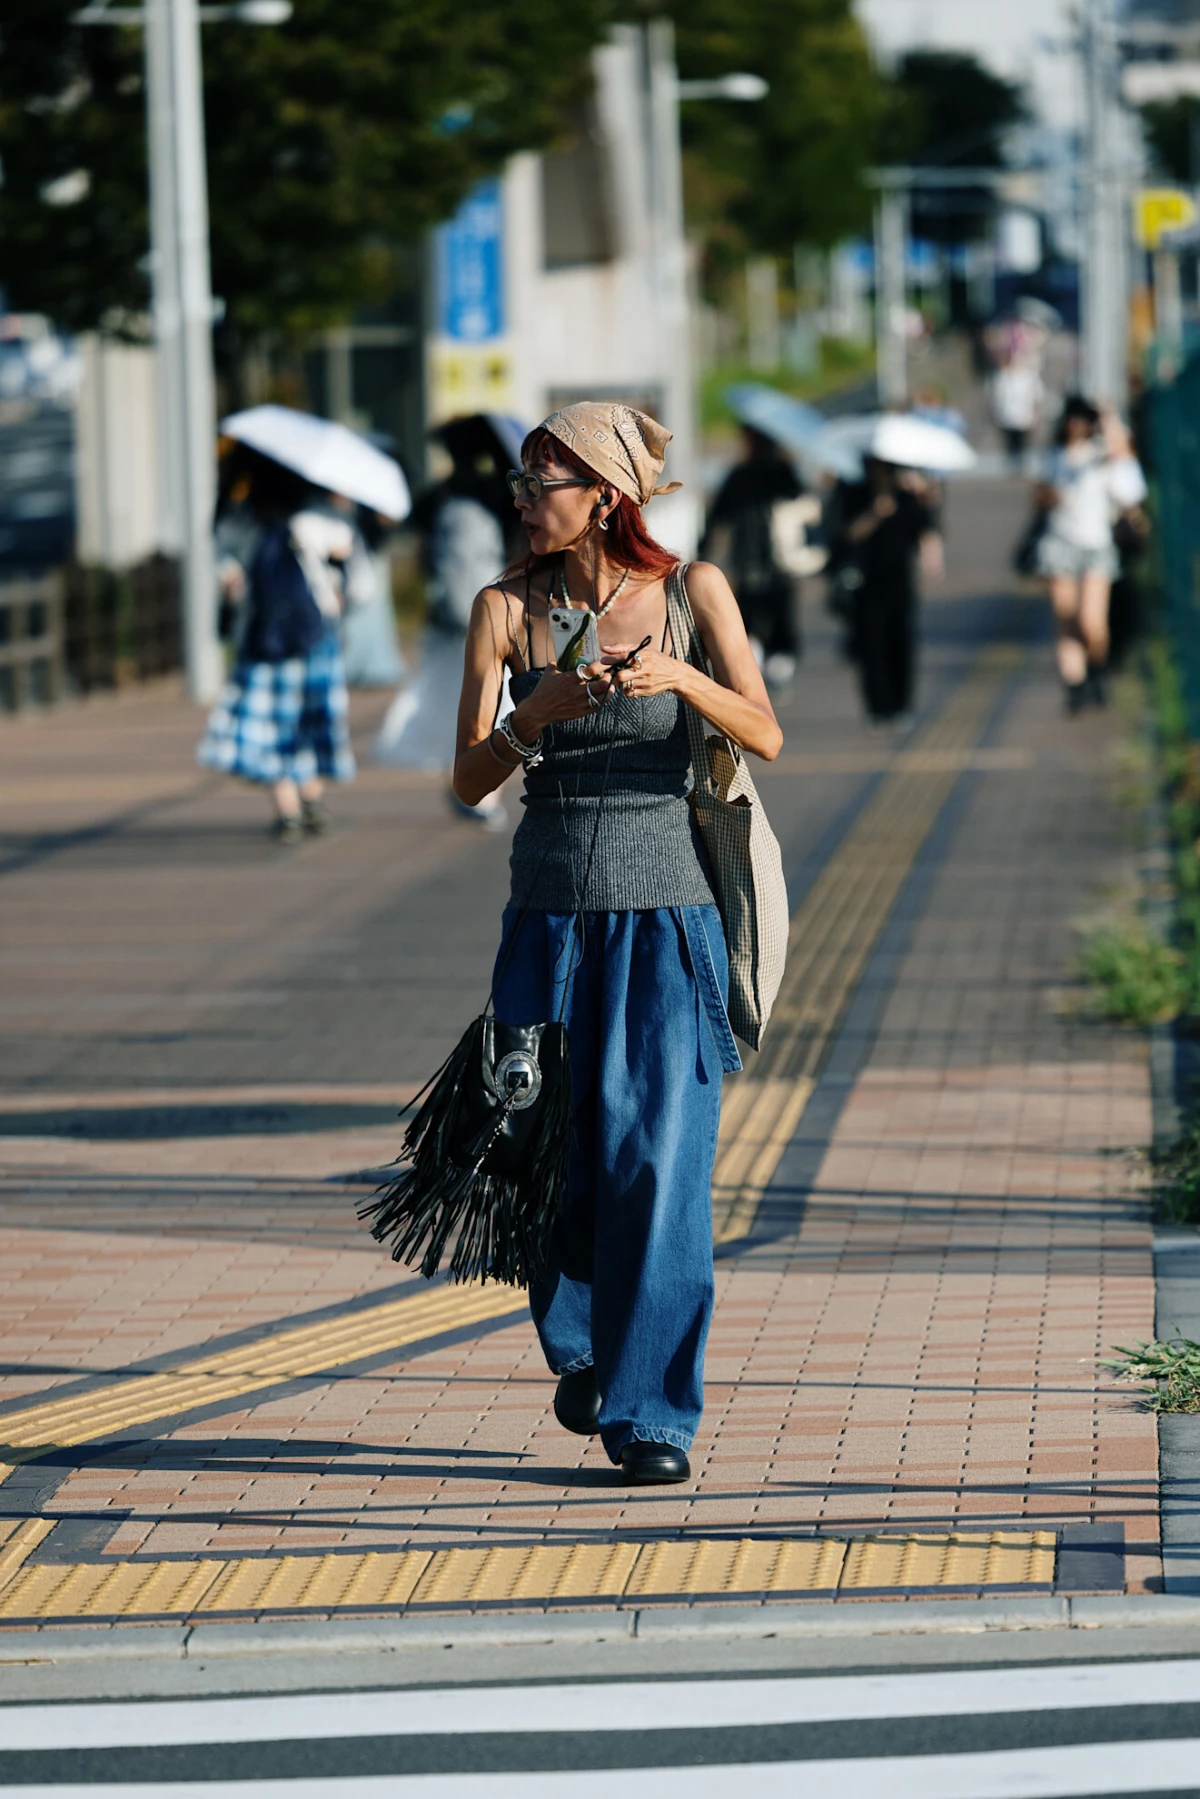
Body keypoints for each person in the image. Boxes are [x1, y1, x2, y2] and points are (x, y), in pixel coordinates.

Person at [452, 401, 781, 1485]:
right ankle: (586, 1346)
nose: (520, 498)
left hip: (668, 916)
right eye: (519, 480)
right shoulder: (504, 608)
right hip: (546, 918)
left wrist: (682, 678)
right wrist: (531, 716)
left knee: (662, 1164)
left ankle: (652, 1415)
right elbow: (466, 780)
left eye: (539, 481)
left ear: (604, 494)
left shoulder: (694, 593)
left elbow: (768, 732)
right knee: (550, 1152)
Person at [198, 452, 356, 842]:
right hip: (314, 639)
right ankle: (313, 800)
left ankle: (287, 812)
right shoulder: (316, 520)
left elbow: (230, 580)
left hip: (262, 641)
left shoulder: (241, 523)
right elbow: (348, 566)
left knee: (271, 724)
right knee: (311, 721)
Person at [376, 415, 524, 829]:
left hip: (449, 618)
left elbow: (425, 559)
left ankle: (469, 784)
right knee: (492, 703)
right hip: (489, 611)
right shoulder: (502, 496)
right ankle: (481, 793)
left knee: (456, 703)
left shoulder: (441, 499)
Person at [1035, 395, 1147, 713]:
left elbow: (1127, 473)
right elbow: (1038, 496)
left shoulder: (1103, 457)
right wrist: (1050, 497)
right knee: (1066, 618)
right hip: (1060, 544)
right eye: (1072, 418)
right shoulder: (1053, 456)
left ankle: (1097, 668)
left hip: (1096, 546)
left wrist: (1109, 416)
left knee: (1091, 622)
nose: (1075, 425)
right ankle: (1075, 685)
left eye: (1083, 419)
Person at [826, 455, 943, 728]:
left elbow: (924, 530)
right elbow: (845, 534)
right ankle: (877, 707)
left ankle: (902, 705)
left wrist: (928, 501)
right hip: (866, 583)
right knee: (871, 646)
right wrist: (875, 514)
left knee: (901, 644)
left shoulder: (908, 493)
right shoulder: (854, 491)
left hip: (899, 581)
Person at [700, 425, 805, 689]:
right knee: (758, 621)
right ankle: (766, 672)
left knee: (768, 620)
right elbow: (717, 518)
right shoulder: (777, 473)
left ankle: (768, 671)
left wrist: (704, 549)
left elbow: (716, 518)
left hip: (768, 564)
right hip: (765, 565)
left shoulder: (753, 475)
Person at [989, 352, 1045, 470]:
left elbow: (1037, 397)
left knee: (1022, 443)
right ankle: (1011, 466)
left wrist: (1036, 415)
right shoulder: (1002, 376)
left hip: (1024, 417)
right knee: (1010, 442)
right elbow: (996, 396)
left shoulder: (1030, 377)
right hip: (1006, 417)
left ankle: (1021, 466)